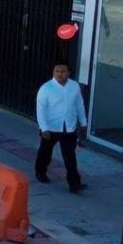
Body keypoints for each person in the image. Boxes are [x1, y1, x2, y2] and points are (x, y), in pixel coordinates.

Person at [35, 63, 88, 193]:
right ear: (53, 72)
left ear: (68, 72)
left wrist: (83, 123)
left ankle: (74, 183)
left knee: (70, 155)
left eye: (63, 71)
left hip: (68, 128)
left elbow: (79, 105)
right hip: (51, 128)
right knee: (45, 152)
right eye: (57, 71)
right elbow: (40, 110)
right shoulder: (46, 88)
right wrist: (44, 128)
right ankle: (40, 172)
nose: (59, 74)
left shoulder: (74, 86)